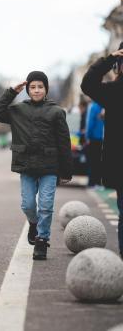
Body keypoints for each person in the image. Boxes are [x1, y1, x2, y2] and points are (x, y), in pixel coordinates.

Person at [0, 71, 72, 260]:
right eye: (32, 87)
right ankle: (33, 223)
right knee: (27, 205)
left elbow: (64, 143)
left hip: (49, 167)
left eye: (40, 87)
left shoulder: (56, 112)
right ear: (27, 89)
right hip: (26, 165)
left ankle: (42, 240)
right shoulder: (18, 110)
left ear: (46, 89)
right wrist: (11, 92)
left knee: (46, 205)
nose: (36, 90)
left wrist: (66, 171)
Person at [81, 45, 123, 257]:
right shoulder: (115, 91)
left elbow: (88, 84)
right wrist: (109, 59)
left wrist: (109, 60)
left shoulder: (113, 92)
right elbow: (87, 84)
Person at [84, 99, 104, 188]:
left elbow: (90, 122)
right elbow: (91, 122)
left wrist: (87, 136)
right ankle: (96, 182)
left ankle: (92, 183)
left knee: (93, 161)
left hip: (95, 138)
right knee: (97, 161)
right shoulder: (100, 107)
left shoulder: (94, 107)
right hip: (99, 138)